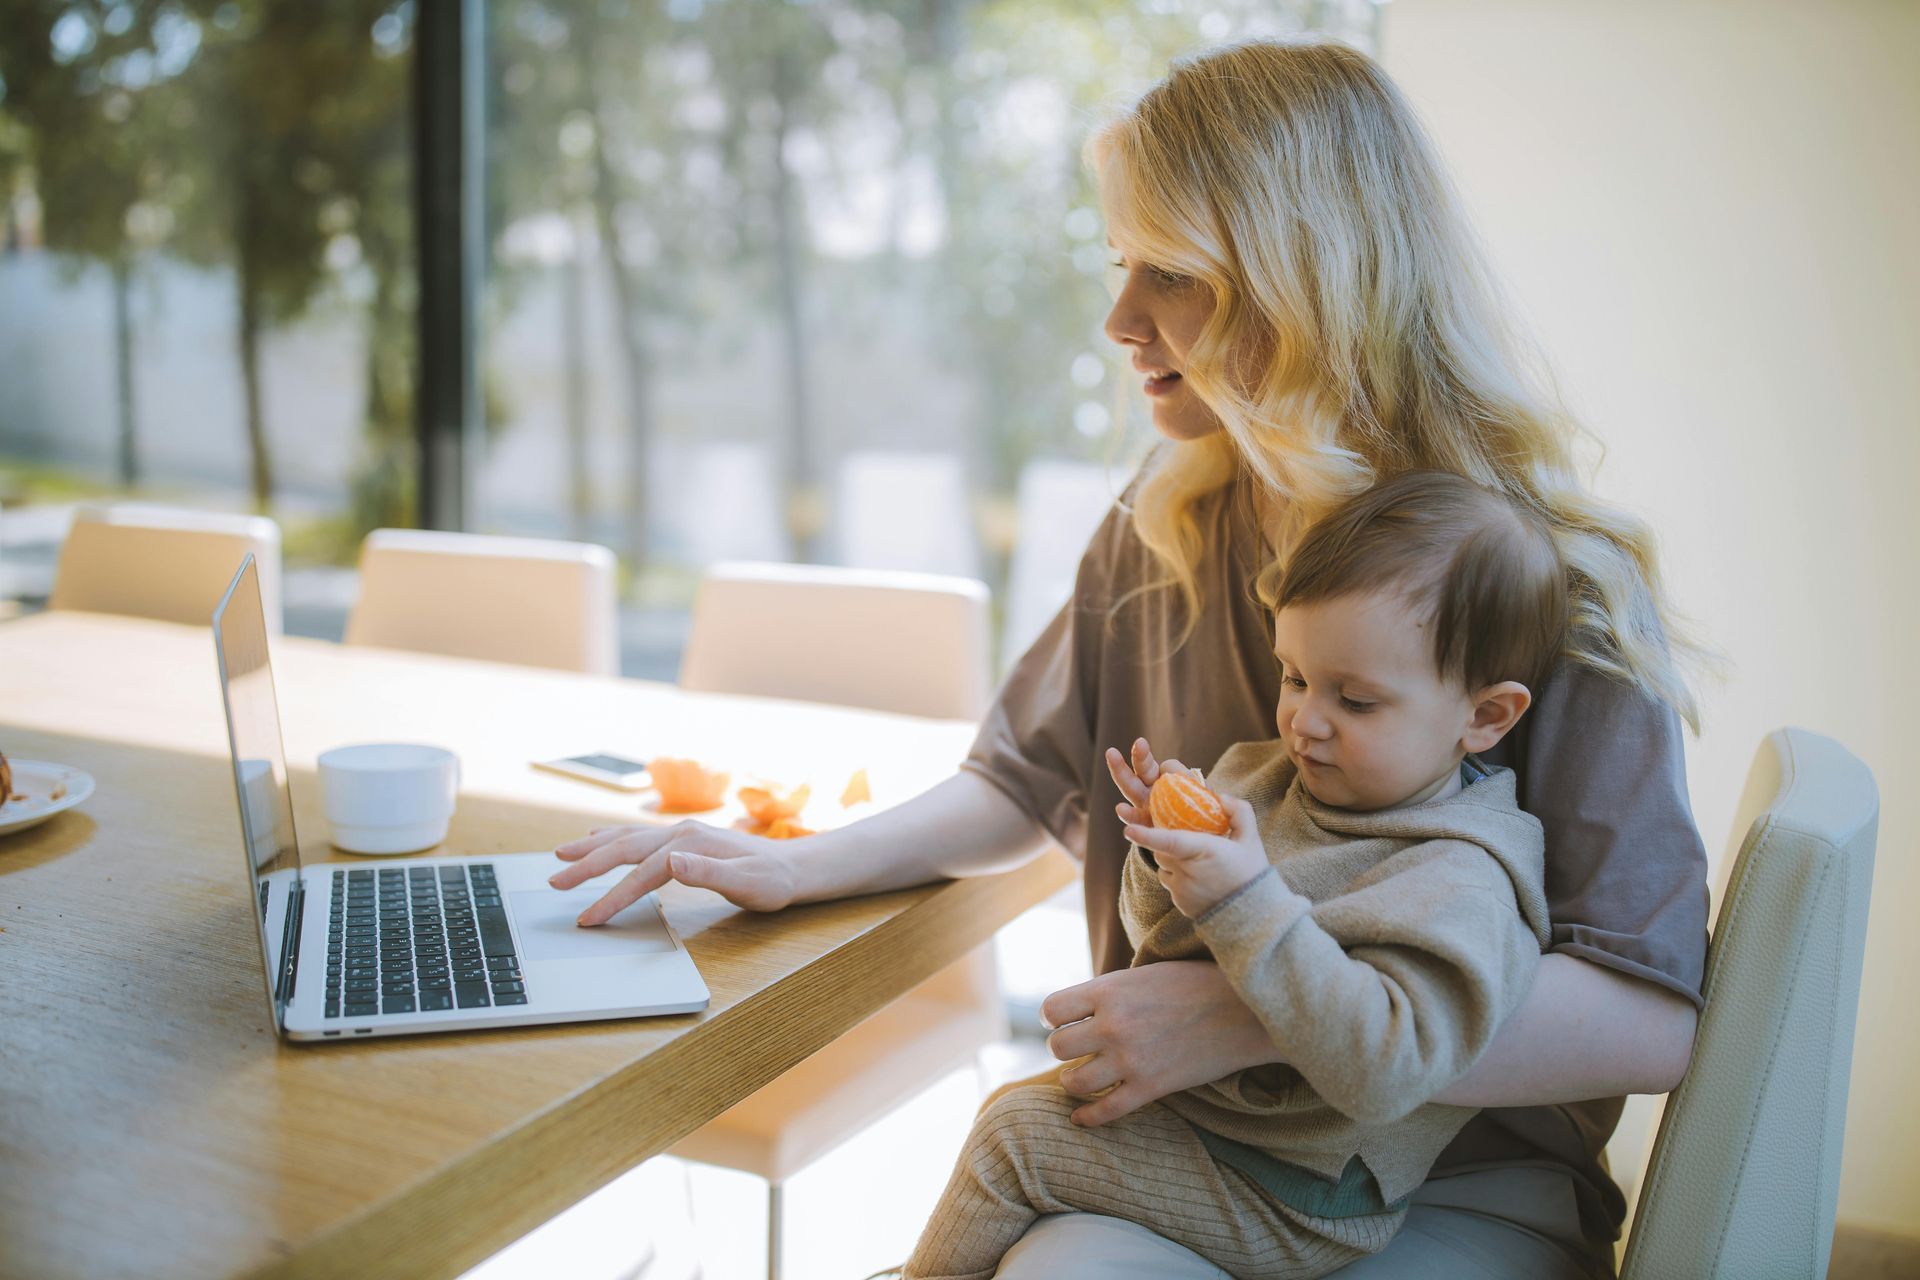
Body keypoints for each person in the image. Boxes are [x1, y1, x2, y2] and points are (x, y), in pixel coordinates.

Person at [552, 38, 1707, 1278]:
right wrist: (801, 862)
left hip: (1454, 1181)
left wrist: (1247, 1013)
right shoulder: (1166, 521)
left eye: (1173, 273)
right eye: (1120, 266)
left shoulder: (1546, 585)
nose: (1119, 319)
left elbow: (1647, 1017)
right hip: (1202, 1139)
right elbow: (1022, 778)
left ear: (1304, 280)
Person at [902, 471, 1565, 1279]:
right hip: (1212, 1129)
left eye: (1355, 701)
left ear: (1486, 716)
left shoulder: (1462, 873)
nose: (1303, 722)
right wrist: (1167, 856)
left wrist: (1247, 900)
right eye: (1294, 677)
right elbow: (1166, 943)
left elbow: (1389, 1068)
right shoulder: (1267, 777)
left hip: (1299, 1194)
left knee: (1014, 1141)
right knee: (1022, 1114)